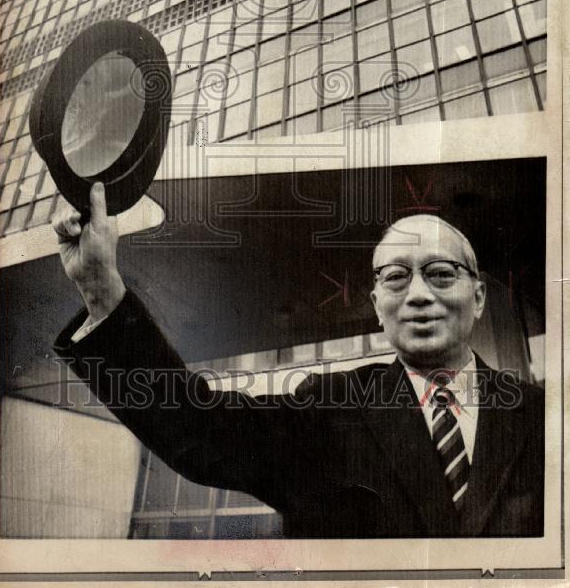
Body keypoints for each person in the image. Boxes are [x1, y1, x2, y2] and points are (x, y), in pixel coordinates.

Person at [53, 182, 544, 538]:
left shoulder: (544, 416)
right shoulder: (329, 406)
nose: (417, 294)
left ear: (478, 297)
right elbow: (198, 427)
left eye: (440, 273)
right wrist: (102, 291)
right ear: (376, 306)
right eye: (395, 277)